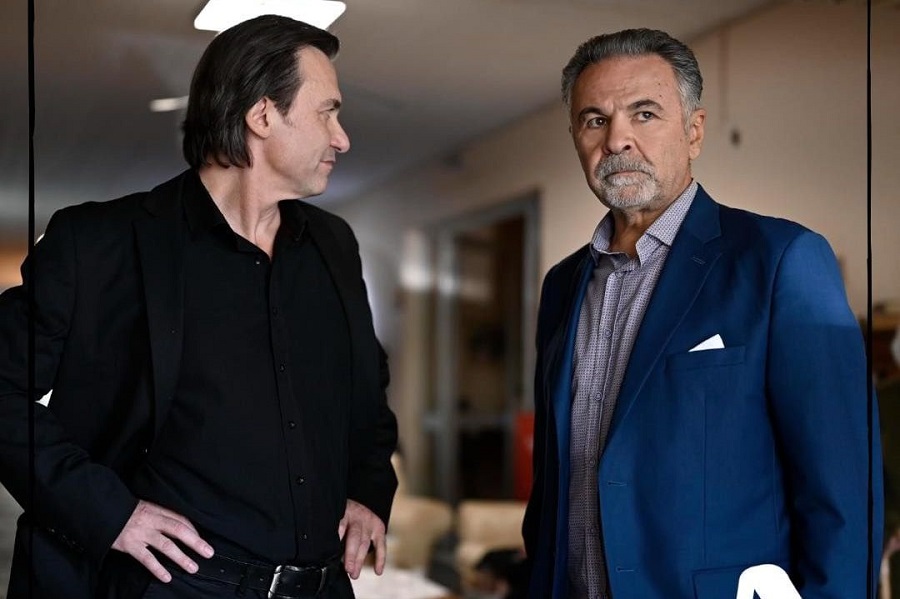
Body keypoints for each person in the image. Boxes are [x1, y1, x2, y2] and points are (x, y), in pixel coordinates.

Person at [0, 15, 398, 599]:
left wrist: (368, 490)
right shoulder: (98, 244)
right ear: (262, 115)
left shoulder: (334, 245)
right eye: (327, 112)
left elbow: (367, 395)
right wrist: (109, 513)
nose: (342, 139)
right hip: (166, 588)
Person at [522, 28, 882, 598]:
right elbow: (553, 481)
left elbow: (841, 488)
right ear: (575, 137)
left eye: (644, 114)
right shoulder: (562, 285)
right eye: (595, 120)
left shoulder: (781, 259)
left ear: (694, 131)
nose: (617, 140)